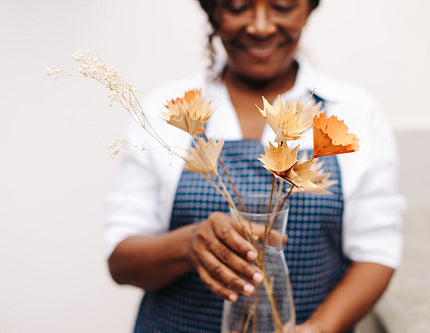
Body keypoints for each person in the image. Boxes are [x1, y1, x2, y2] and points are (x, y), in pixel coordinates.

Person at [104, 0, 405, 332]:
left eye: (283, 5)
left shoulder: (353, 112)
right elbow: (121, 262)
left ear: (308, 9)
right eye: (238, 6)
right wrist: (189, 244)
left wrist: (319, 327)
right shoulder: (172, 110)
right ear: (213, 11)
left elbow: (376, 252)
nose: (260, 26)